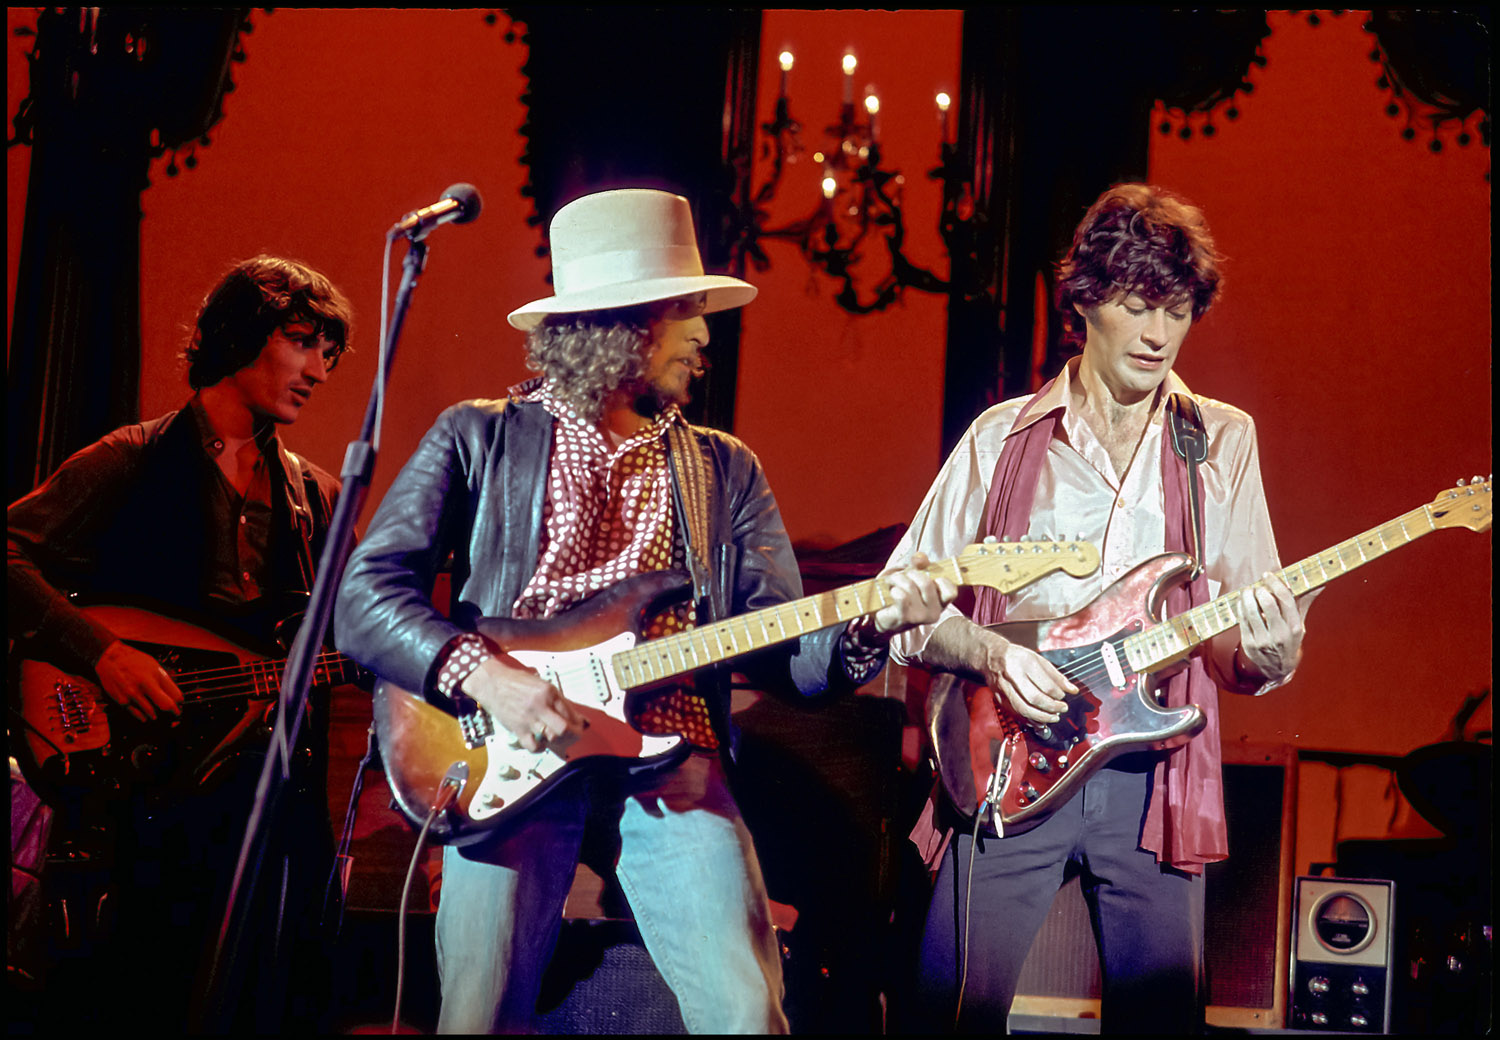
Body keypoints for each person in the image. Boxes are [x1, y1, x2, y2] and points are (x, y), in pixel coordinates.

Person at [333, 187, 958, 1033]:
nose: (705, 335)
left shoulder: (723, 469)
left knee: (746, 1011)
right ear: (619, 324)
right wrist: (489, 679)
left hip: (671, 756)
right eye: (684, 312)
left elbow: (784, 652)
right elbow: (364, 596)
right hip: (506, 748)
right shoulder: (479, 436)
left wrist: (872, 623)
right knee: (480, 1015)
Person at [883, 184, 1320, 1033]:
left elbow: (1235, 651)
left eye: (1178, 311)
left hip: (1153, 778)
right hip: (1007, 757)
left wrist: (1268, 651)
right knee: (946, 1016)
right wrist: (992, 653)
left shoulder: (1220, 440)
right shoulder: (1001, 438)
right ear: (1085, 301)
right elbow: (903, 611)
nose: (1159, 334)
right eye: (1137, 306)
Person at [7, 254, 354, 1032]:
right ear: (239, 333)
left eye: (328, 353)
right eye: (302, 342)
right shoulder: (131, 458)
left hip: (266, 810)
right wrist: (101, 653)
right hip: (145, 807)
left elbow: (363, 630)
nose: (318, 371)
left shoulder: (317, 495)